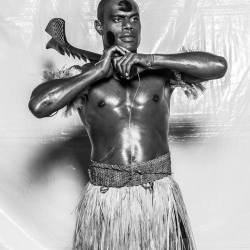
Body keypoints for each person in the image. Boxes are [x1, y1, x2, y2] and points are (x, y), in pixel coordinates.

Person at [28, 0, 227, 249]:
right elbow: (39, 105)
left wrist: (152, 59)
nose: (128, 26)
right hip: (105, 200)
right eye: (119, 19)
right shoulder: (82, 77)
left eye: (134, 18)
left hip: (159, 197)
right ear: (100, 27)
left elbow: (218, 66)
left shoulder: (160, 73)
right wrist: (96, 72)